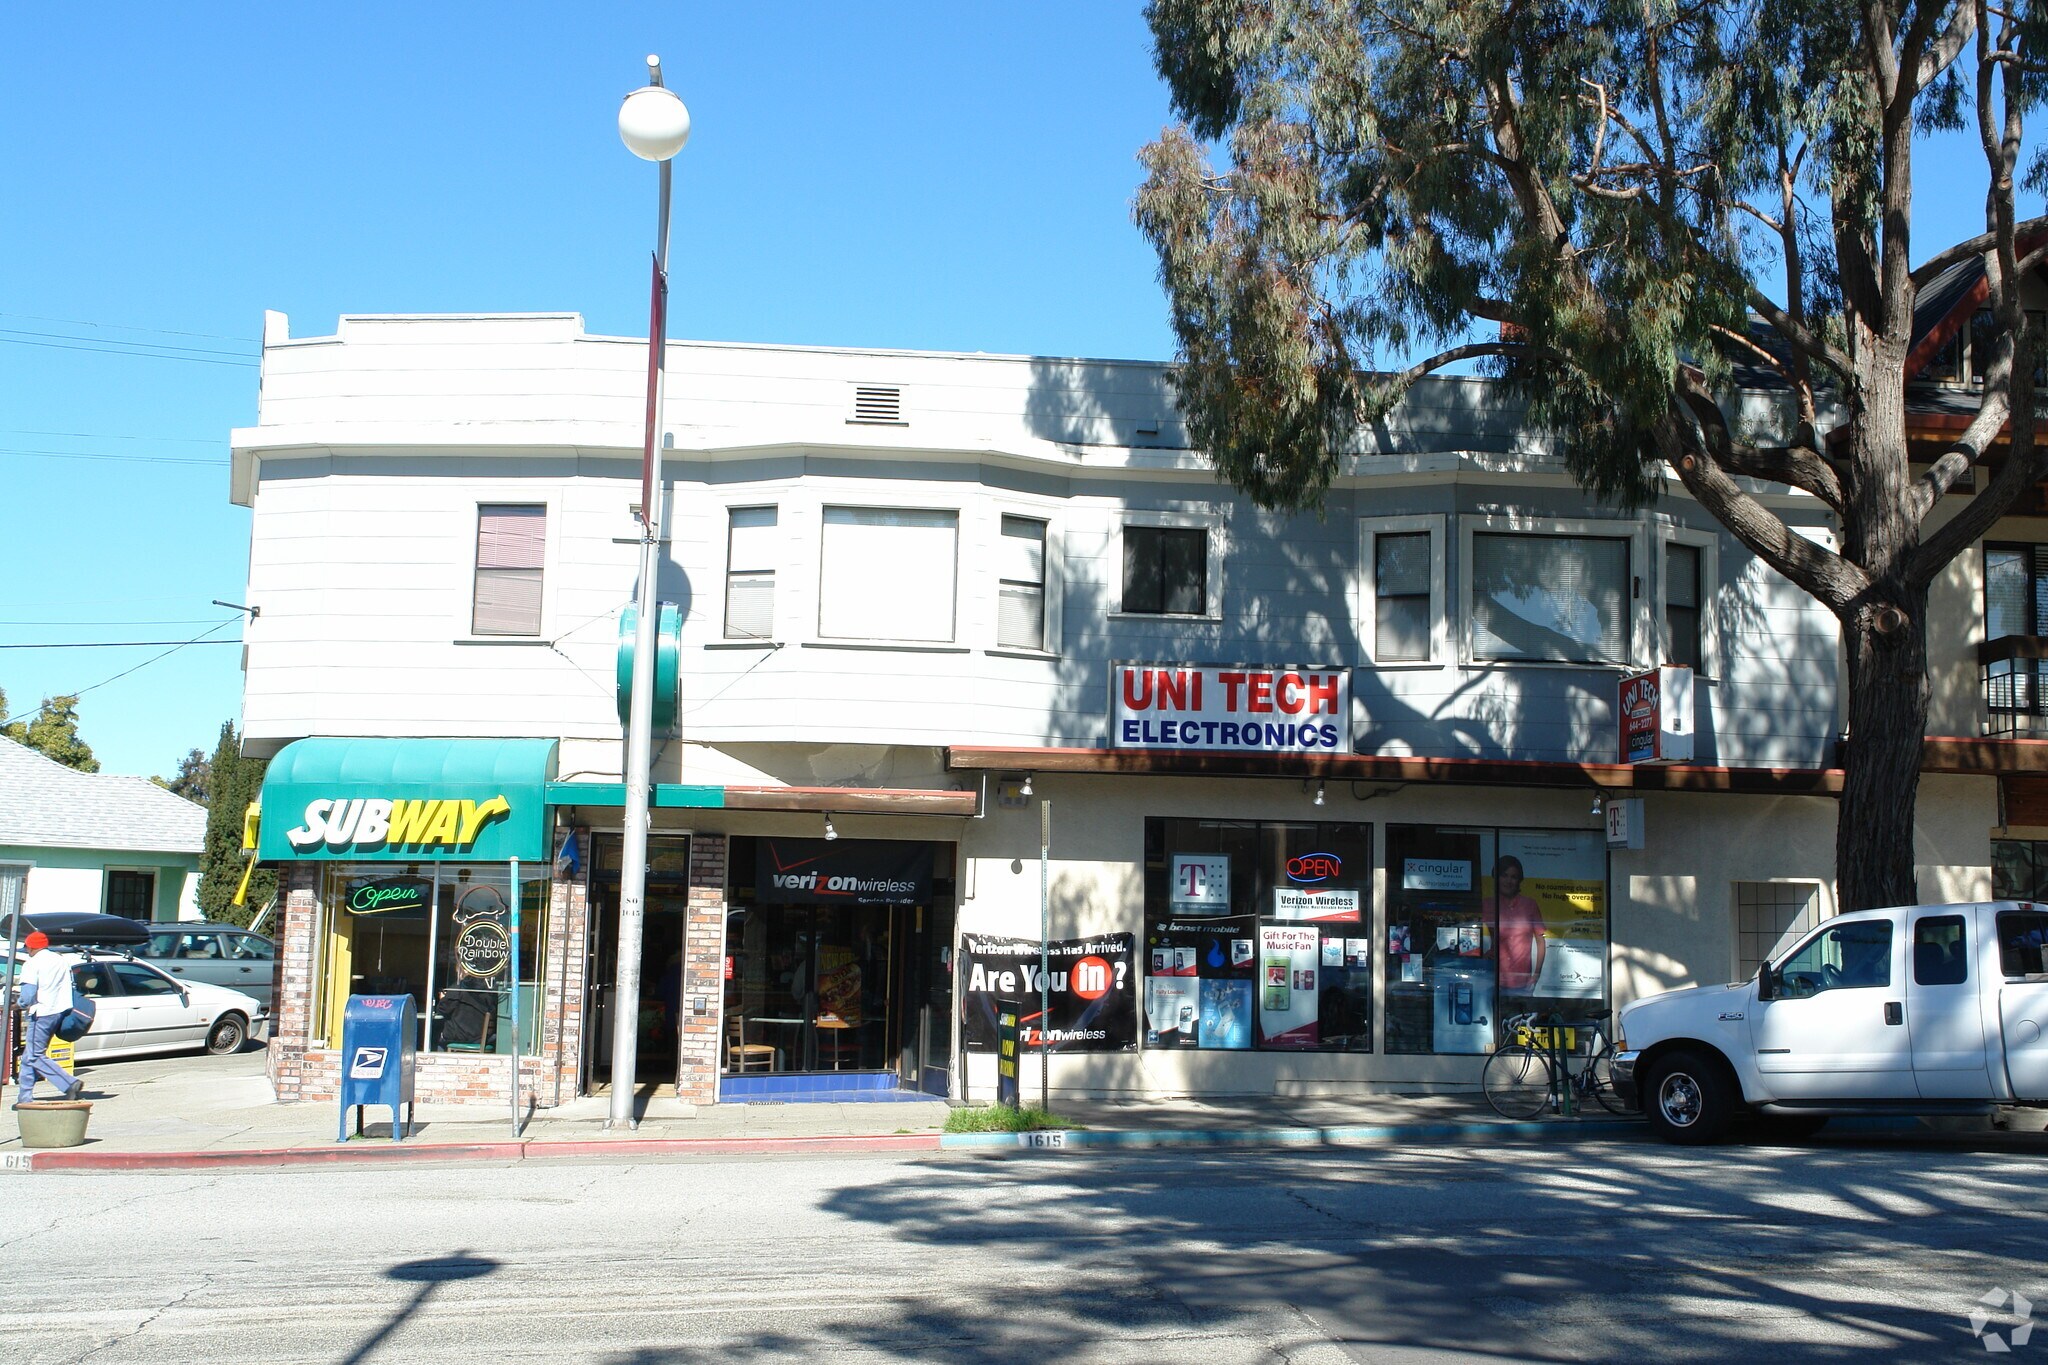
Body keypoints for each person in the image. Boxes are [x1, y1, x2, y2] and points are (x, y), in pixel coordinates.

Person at [14, 931, 84, 1104]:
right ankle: (24, 1097)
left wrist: (19, 1003)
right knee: (30, 1055)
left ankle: (69, 1083)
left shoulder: (32, 963)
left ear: (30, 947)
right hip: (59, 1010)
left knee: (34, 1056)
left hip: (42, 1012)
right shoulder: (60, 960)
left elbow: (28, 996)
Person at [1492, 856, 1549, 995]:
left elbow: (1541, 941)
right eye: (1504, 875)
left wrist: (1536, 976)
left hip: (1522, 984)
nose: (1508, 881)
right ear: (1497, 878)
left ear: (1519, 880)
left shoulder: (1530, 904)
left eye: (1514, 877)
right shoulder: (1489, 904)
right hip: (1495, 982)